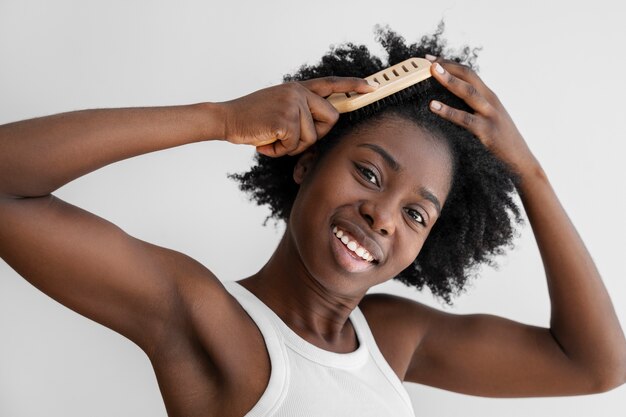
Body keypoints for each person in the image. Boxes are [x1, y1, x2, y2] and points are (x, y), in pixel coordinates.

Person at [0, 27, 624, 417]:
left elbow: (594, 365)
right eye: (369, 174)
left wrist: (529, 173)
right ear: (305, 163)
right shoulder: (208, 319)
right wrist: (221, 118)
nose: (382, 216)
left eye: (416, 213)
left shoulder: (389, 340)